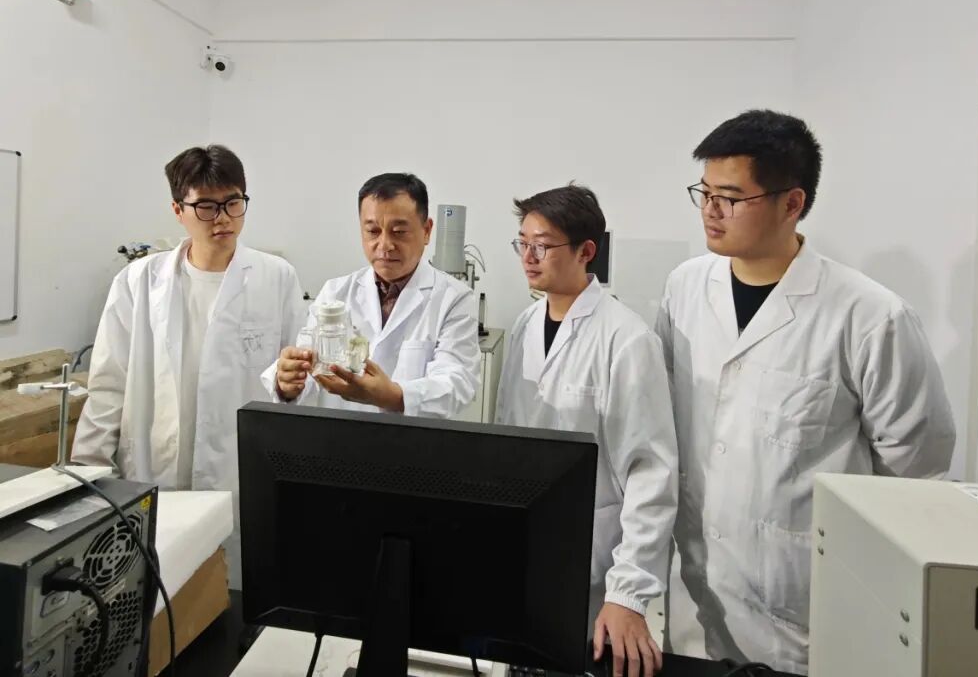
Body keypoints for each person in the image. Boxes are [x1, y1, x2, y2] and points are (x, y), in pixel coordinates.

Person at [655, 109, 956, 674]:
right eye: (704, 193)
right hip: (694, 595)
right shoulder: (684, 288)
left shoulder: (871, 317)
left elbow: (914, 472)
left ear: (791, 203)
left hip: (802, 611)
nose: (710, 210)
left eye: (730, 197)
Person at [72, 144, 308, 584]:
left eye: (233, 202)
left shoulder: (277, 277)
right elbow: (108, 385)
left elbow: (297, 382)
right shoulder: (138, 282)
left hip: (237, 475)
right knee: (151, 597)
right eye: (206, 206)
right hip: (153, 470)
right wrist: (88, 475)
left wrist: (290, 383)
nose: (222, 218)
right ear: (178, 210)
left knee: (230, 594)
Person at [495, 184, 678, 677]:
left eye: (542, 246)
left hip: (598, 563)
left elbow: (651, 474)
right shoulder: (525, 324)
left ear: (586, 251)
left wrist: (628, 593)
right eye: (522, 243)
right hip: (528, 548)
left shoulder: (627, 339)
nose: (528, 257)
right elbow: (509, 436)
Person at [265, 172, 480, 417]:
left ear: (427, 230)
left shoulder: (454, 299)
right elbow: (311, 372)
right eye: (373, 231)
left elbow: (456, 383)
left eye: (398, 231)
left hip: (413, 439)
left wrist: (394, 396)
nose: (384, 244)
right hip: (340, 436)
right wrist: (288, 382)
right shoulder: (335, 292)